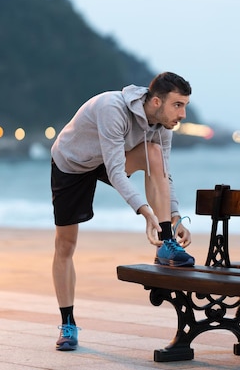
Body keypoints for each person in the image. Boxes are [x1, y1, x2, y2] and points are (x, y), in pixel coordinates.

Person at [50, 71, 195, 351]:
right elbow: (115, 171)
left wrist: (174, 217)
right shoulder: (111, 108)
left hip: (110, 158)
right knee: (65, 246)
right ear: (155, 102)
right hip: (73, 163)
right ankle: (68, 323)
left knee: (154, 154)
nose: (183, 114)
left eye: (185, 106)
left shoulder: (163, 126)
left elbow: (163, 173)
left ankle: (166, 242)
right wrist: (145, 212)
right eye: (178, 105)